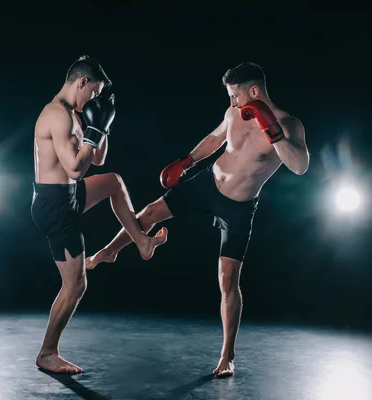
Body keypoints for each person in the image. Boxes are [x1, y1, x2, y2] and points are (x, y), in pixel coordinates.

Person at [85, 61, 309, 377]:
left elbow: (299, 165)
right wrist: (187, 161)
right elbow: (216, 138)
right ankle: (109, 251)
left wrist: (271, 129)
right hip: (208, 184)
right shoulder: (234, 113)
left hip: (239, 207)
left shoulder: (288, 124)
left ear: (254, 91)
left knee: (228, 279)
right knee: (149, 212)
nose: (232, 102)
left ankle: (227, 357)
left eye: (235, 95)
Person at [31, 55, 168, 374]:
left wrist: (102, 124)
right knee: (76, 286)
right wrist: (92, 129)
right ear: (81, 82)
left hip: (66, 195)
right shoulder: (56, 115)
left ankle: (142, 243)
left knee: (113, 182)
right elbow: (76, 168)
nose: (94, 99)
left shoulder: (75, 113)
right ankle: (47, 353)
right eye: (93, 93)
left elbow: (99, 160)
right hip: (55, 207)